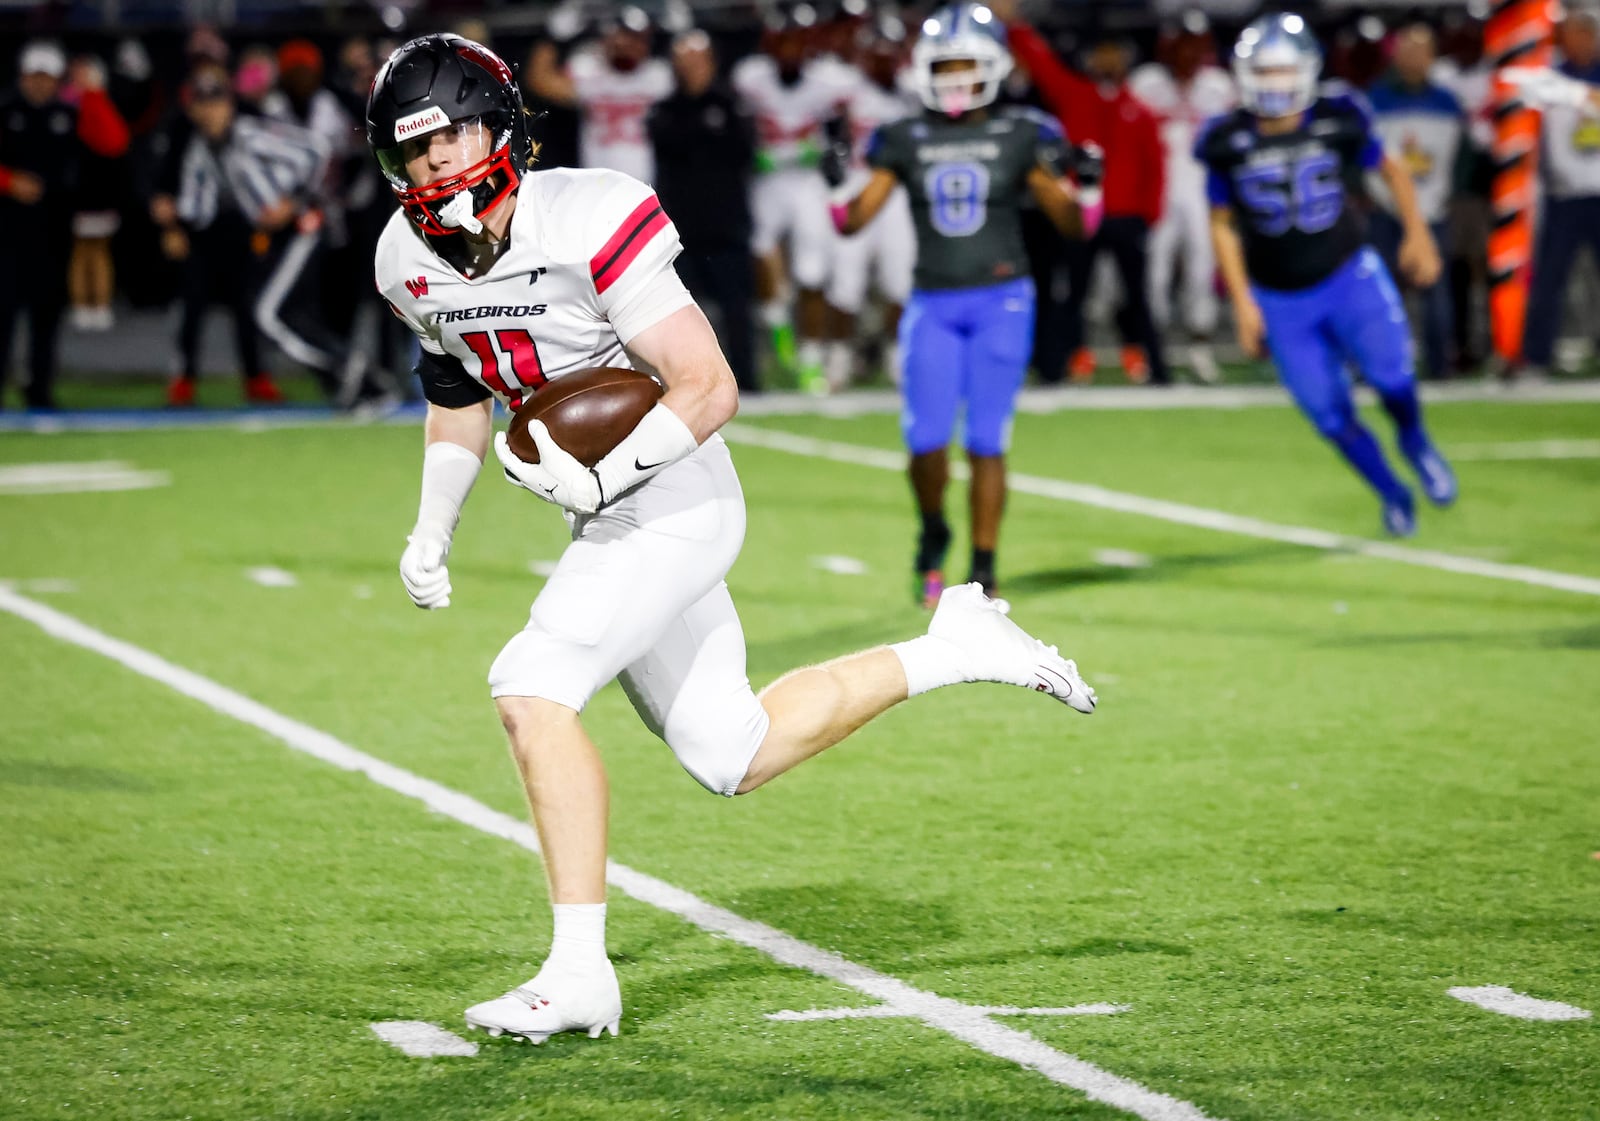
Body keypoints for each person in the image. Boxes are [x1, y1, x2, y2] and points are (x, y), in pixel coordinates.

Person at [365, 33, 1096, 1044]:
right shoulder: (404, 258)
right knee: (729, 748)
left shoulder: (588, 211)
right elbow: (455, 400)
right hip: (607, 506)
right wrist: (430, 529)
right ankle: (955, 644)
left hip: (675, 493)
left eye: (445, 138)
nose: (431, 164)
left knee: (530, 686)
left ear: (496, 126)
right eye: (412, 150)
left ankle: (579, 970)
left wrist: (603, 471)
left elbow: (708, 387)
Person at [828, 4, 1098, 604]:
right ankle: (932, 533)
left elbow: (1074, 227)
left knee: (986, 440)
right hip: (934, 303)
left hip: (1003, 298)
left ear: (994, 67)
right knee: (925, 442)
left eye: (967, 65)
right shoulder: (904, 136)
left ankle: (982, 564)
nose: (955, 78)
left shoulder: (1022, 133)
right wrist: (835, 185)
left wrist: (1089, 188)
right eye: (945, 65)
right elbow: (852, 222)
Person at [1197, 14, 1455, 537]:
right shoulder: (1226, 138)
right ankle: (1392, 490)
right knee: (1328, 414)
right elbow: (1221, 224)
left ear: (1307, 71)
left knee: (1393, 377)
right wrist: (1244, 303)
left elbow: (1392, 170)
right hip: (1281, 298)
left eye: (1283, 71)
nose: (1274, 84)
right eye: (1264, 73)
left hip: (1348, 275)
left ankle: (1415, 439)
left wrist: (1417, 233)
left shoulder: (1339, 114)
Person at [987, 4, 1169, 385]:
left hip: (1126, 217)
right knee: (1071, 295)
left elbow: (1156, 167)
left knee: (1138, 297)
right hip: (1082, 213)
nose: (1107, 59)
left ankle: (1157, 368)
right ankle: (1056, 367)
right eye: (1101, 52)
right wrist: (1012, 23)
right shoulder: (1075, 96)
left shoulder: (1139, 108)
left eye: (1113, 52)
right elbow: (1040, 61)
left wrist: (1148, 217)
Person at [732, 7, 860, 391]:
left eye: (797, 43)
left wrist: (831, 150)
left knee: (812, 272)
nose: (790, 52)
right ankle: (776, 319)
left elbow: (851, 122)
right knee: (759, 252)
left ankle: (810, 359)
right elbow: (740, 121)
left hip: (807, 182)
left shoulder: (832, 80)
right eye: (783, 43)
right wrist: (751, 150)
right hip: (768, 181)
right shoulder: (751, 77)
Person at [0, 41, 127, 410]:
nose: (39, 84)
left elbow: (113, 143)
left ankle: (39, 390)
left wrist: (93, 94)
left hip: (52, 229)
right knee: (2, 314)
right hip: (7, 230)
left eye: (47, 77)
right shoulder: (6, 109)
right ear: (22, 76)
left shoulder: (70, 112)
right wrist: (9, 182)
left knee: (46, 315)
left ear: (57, 80)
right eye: (33, 76)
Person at [647, 30, 759, 391]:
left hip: (726, 223)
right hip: (680, 229)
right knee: (676, 312)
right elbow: (670, 145)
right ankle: (685, 381)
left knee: (736, 307)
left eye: (697, 60)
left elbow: (743, 152)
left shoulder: (732, 105)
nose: (691, 69)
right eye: (684, 61)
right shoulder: (664, 110)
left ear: (711, 62)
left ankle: (748, 377)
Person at [1129, 11, 1236, 382]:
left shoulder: (1219, 86)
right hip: (1158, 182)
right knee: (1153, 268)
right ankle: (1152, 350)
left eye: (1196, 46)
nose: (1188, 55)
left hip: (1201, 183)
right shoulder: (1146, 83)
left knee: (1202, 264)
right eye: (1182, 46)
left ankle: (1199, 348)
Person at [821, 19, 918, 391]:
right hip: (858, 184)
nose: (882, 63)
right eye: (876, 55)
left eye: (888, 56)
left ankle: (898, 358)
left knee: (901, 282)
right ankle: (838, 360)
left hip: (897, 190)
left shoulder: (912, 92)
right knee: (845, 280)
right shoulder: (845, 90)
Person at [1366, 23, 1465, 381]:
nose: (1414, 59)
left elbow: (1458, 159)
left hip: (1431, 212)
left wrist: (1441, 200)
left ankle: (1441, 367)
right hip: (1385, 211)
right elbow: (1368, 161)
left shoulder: (1447, 103)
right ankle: (1377, 367)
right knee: (1376, 297)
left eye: (1421, 51)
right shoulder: (1376, 99)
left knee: (1436, 296)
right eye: (1408, 50)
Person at [1514, 11, 1600, 378]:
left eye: (1587, 34)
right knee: (1549, 278)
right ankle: (1536, 357)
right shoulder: (1548, 79)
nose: (1581, 41)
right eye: (1574, 34)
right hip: (1562, 195)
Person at [528, 6, 673, 184]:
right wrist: (552, 36)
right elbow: (540, 81)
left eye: (636, 39)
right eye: (623, 37)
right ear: (607, 39)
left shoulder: (657, 76)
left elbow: (698, 75)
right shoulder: (589, 72)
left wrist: (682, 31)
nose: (629, 45)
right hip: (595, 183)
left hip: (645, 184)